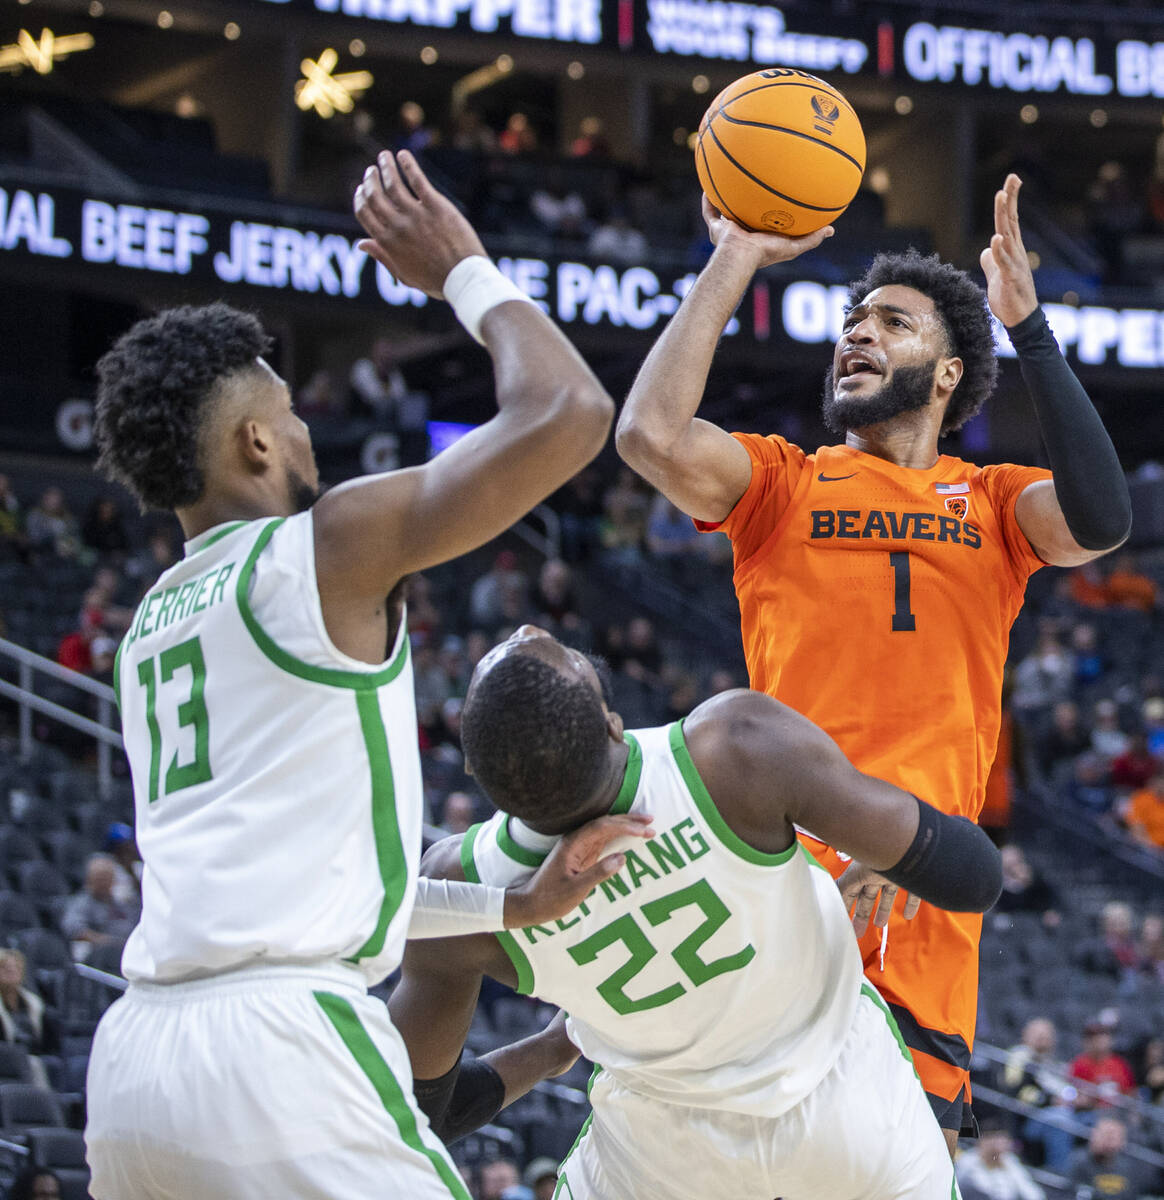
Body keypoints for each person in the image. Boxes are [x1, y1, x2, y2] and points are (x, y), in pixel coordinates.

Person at [82, 149, 640, 1199]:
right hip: (280, 1054)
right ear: (254, 441)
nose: (305, 432)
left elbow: (284, 882)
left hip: (137, 1069)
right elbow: (569, 414)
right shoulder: (323, 547)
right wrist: (466, 269)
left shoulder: (150, 624)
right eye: (289, 414)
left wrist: (512, 908)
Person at [616, 173, 1132, 1152]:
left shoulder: (993, 502)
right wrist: (735, 254)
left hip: (924, 897)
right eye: (851, 322)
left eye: (891, 323)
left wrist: (1030, 329)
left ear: (947, 376)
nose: (856, 334)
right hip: (780, 889)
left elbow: (1103, 520)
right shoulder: (782, 480)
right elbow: (648, 434)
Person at [390, 625, 1004, 1199]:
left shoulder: (459, 892)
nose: (526, 632)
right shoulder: (733, 747)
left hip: (655, 1160)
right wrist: (891, 854)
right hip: (850, 1117)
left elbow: (424, 1114)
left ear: (475, 770)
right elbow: (975, 876)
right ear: (610, 723)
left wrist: (551, 1050)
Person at [61, 854, 140, 955]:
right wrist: (105, 942)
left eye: (107, 878)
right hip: (99, 954)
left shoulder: (120, 902)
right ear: (89, 880)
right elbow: (74, 929)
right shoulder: (81, 903)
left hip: (129, 950)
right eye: (100, 878)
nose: (104, 882)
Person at [954, 1114, 1045, 1200]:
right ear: (983, 1141)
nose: (1000, 1144)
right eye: (995, 1140)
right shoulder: (968, 1161)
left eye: (1003, 1141)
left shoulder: (1009, 1161)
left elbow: (1033, 1193)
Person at [1067, 1116, 1155, 1199]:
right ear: (1093, 1135)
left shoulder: (1130, 1167)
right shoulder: (1079, 1161)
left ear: (1123, 1142)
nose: (1106, 1141)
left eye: (1112, 1137)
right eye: (1103, 1135)